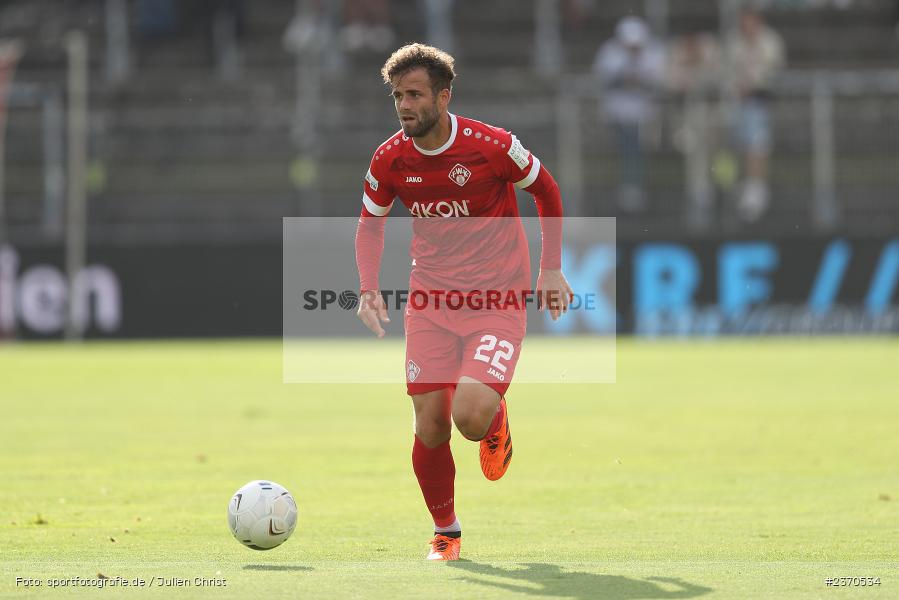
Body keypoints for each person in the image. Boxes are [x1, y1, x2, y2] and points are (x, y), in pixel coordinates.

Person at [354, 44, 573, 561]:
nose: (403, 105)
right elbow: (370, 223)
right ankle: (446, 532)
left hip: (497, 298)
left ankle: (494, 419)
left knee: (469, 418)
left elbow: (547, 190)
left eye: (414, 94)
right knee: (430, 420)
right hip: (430, 299)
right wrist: (367, 287)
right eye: (397, 96)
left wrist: (551, 267)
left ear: (444, 97)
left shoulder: (492, 146)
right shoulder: (389, 158)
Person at [593, 16, 666, 213]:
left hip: (647, 116)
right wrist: (624, 77)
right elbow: (603, 82)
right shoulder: (609, 53)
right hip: (616, 115)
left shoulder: (654, 52)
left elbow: (660, 83)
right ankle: (629, 187)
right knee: (628, 142)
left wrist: (638, 80)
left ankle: (635, 187)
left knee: (636, 142)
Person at [725, 7, 785, 222]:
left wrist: (752, 85)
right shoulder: (734, 42)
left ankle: (756, 189)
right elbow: (728, 73)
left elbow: (773, 72)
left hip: (760, 101)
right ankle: (734, 184)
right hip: (736, 102)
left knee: (756, 141)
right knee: (733, 144)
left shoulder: (770, 42)